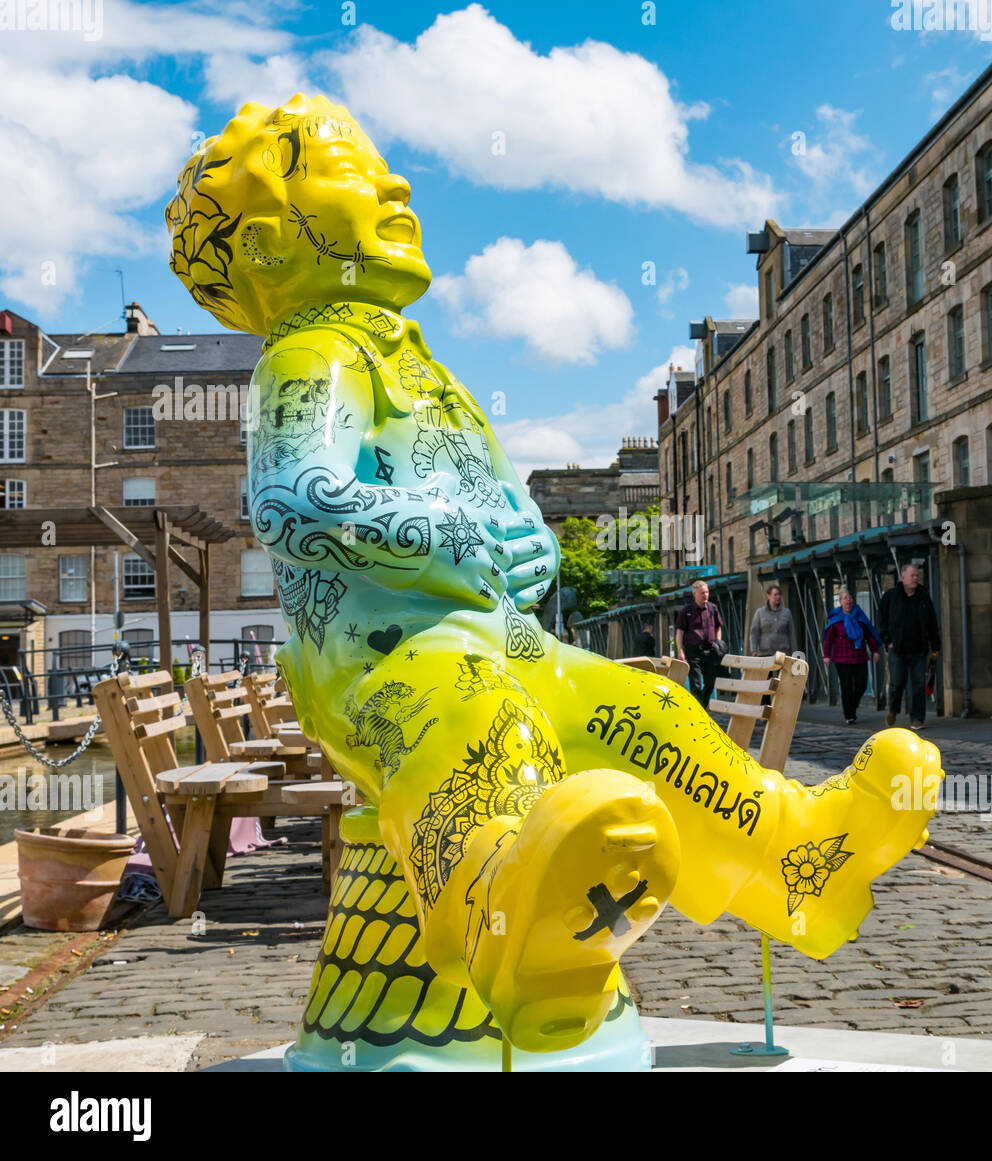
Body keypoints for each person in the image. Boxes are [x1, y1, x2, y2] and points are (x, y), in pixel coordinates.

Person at [165, 94, 943, 1066]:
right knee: (468, 719)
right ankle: (502, 911)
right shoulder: (311, 354)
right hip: (382, 659)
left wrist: (521, 542)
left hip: (498, 639)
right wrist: (450, 535)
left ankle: (800, 857)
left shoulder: (412, 365)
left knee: (642, 711)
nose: (397, 185)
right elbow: (297, 500)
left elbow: (498, 512)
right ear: (276, 248)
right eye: (356, 176)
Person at [879, 564, 941, 730]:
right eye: (913, 575)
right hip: (897, 649)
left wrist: (936, 646)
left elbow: (932, 623)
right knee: (897, 682)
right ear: (903, 577)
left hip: (919, 649)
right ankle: (893, 709)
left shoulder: (923, 597)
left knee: (919, 685)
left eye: (917, 575)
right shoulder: (891, 596)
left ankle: (917, 718)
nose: (916, 578)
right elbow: (882, 620)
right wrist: (887, 640)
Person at [822, 589, 881, 725]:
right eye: (845, 598)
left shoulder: (860, 616)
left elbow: (869, 635)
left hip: (859, 656)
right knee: (846, 686)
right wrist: (826, 656)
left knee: (861, 684)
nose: (848, 601)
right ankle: (849, 714)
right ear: (840, 602)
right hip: (842, 658)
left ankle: (852, 706)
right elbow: (829, 640)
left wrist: (875, 651)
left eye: (850, 598)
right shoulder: (835, 620)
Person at [675, 579, 724, 708]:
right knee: (695, 684)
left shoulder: (713, 608)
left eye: (707, 592)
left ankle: (702, 706)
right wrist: (680, 650)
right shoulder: (686, 611)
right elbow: (679, 632)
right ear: (694, 594)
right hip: (693, 651)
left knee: (710, 682)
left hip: (710, 650)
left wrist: (718, 641)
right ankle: (699, 709)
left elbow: (719, 626)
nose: (706, 595)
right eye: (702, 593)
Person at [749, 584, 796, 656]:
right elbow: (754, 633)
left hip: (783, 654)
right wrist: (753, 650)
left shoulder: (787, 613)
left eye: (779, 594)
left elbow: (792, 634)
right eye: (775, 595)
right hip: (765, 654)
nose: (778, 597)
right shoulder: (760, 612)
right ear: (768, 596)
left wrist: (794, 653)